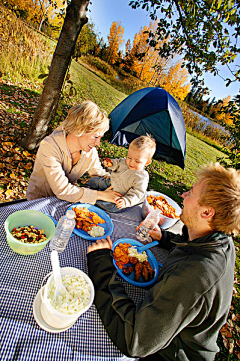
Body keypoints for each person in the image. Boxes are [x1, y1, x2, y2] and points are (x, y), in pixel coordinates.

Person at [87, 163, 240, 361]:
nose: (183, 195)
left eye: (191, 193)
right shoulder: (215, 238)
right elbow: (189, 248)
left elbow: (134, 340)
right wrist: (166, 239)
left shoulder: (197, 275)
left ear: (207, 213)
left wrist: (101, 266)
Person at [26, 101, 122, 204]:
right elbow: (62, 190)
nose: (98, 143)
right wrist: (100, 195)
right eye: (95, 137)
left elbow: (99, 175)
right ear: (80, 129)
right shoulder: (49, 146)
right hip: (37, 202)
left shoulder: (90, 152)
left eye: (100, 138)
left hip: (62, 202)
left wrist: (117, 183)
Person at [85, 135, 156, 212]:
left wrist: (125, 201)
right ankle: (88, 186)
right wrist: (111, 164)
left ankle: (96, 200)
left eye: (137, 161)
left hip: (120, 194)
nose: (131, 162)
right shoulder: (124, 162)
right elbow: (117, 163)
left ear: (147, 162)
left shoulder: (142, 177)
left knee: (113, 207)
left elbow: (137, 194)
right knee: (95, 181)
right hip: (110, 182)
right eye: (129, 157)